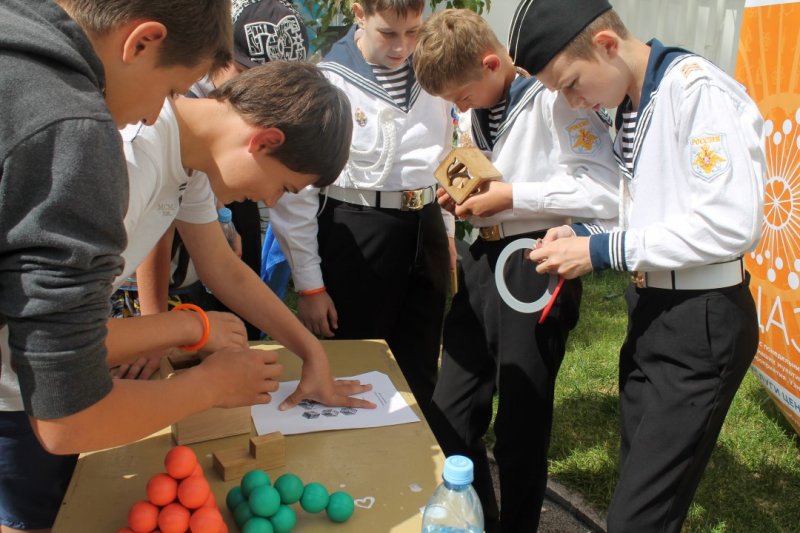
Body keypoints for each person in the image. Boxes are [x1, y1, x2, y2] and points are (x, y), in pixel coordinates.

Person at [519, 0, 766, 531]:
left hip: (700, 318)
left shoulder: (695, 91)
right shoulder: (632, 99)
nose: (571, 100)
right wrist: (588, 235)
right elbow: (660, 212)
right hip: (655, 307)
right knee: (638, 490)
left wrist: (604, 251)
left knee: (639, 516)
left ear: (606, 45)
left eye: (569, 84)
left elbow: (731, 223)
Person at [0, 1, 234, 530]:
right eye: (171, 90)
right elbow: (66, 419)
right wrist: (212, 385)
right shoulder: (76, 132)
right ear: (141, 43)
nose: (156, 115)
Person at [412, 9, 619, 532]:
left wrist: (512, 196)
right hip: (479, 261)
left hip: (535, 263)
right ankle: (480, 515)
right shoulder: (475, 108)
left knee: (521, 425)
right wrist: (460, 196)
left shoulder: (557, 101)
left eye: (460, 96)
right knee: (450, 412)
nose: (458, 108)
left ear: (489, 63)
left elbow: (606, 191)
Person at [268, 0, 456, 418]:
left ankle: (412, 461)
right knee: (356, 361)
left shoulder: (431, 74)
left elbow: (440, 161)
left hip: (423, 228)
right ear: (358, 12)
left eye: (413, 32)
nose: (402, 48)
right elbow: (296, 198)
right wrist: (311, 285)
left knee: (420, 364)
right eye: (388, 33)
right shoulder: (328, 82)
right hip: (355, 232)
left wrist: (445, 233)